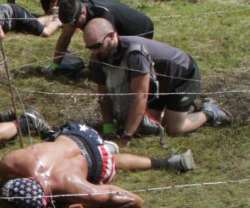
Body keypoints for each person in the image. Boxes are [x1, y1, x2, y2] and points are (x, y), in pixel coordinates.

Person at [0, 123, 194, 208]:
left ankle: (161, 162)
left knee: (111, 162)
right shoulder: (11, 162)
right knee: (74, 153)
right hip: (75, 132)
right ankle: (166, 161)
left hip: (98, 161)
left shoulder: (77, 189)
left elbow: (135, 201)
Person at [82, 18, 230, 139]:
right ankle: (181, 110)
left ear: (113, 35)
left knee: (174, 129)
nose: (94, 52)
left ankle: (209, 112)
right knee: (146, 125)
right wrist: (108, 128)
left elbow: (140, 96)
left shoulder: (135, 54)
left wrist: (126, 136)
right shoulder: (99, 57)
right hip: (158, 82)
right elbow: (103, 95)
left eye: (98, 45)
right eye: (90, 48)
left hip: (182, 76)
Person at [46, 0, 154, 75]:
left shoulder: (103, 15)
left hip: (140, 29)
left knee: (113, 61)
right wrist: (54, 66)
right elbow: (64, 39)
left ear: (83, 13)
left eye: (75, 23)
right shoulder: (74, 9)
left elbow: (112, 46)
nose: (73, 27)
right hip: (117, 27)